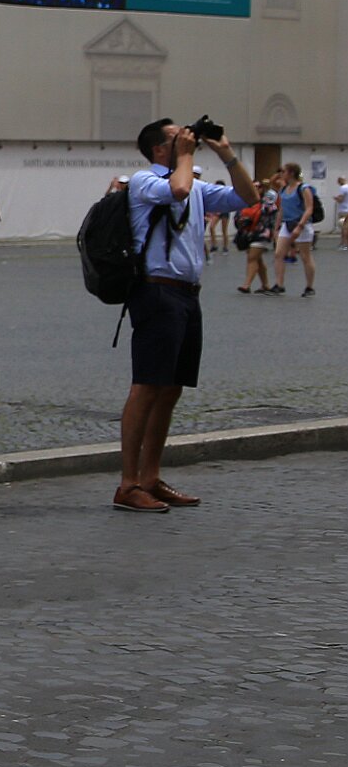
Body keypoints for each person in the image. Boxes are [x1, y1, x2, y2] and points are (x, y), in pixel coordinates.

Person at [116, 120, 254, 512]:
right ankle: (128, 484)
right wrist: (187, 156)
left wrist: (226, 153)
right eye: (178, 137)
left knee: (171, 388)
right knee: (147, 385)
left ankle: (151, 477)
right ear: (160, 150)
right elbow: (176, 189)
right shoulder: (145, 181)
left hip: (187, 295)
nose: (188, 140)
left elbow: (248, 197)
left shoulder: (196, 188)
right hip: (156, 291)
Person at [272, 162, 317, 297]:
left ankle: (309, 287)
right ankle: (279, 284)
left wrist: (300, 226)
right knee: (279, 254)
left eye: (284, 172)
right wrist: (276, 227)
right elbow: (281, 209)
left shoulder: (303, 188)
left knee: (305, 256)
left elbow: (309, 209)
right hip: (287, 224)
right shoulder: (284, 189)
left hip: (302, 224)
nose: (281, 174)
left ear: (291, 173)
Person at [234, 187, 274, 295]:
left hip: (261, 233)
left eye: (259, 187)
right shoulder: (244, 201)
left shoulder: (267, 202)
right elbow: (237, 217)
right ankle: (265, 284)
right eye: (254, 186)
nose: (256, 189)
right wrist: (241, 222)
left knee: (252, 257)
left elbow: (271, 217)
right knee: (258, 259)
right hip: (247, 234)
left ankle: (246, 285)